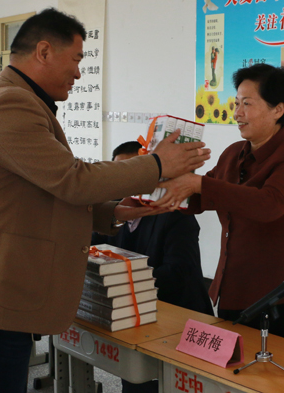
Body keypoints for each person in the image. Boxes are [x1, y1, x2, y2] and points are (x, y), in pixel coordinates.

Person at [0, 7, 210, 393]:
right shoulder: (8, 104)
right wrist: (158, 164)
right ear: (44, 51)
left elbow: (46, 190)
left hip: (0, 291)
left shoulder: (17, 99)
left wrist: (115, 210)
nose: (79, 73)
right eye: (77, 59)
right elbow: (72, 180)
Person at [155, 63, 284, 341]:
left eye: (247, 104)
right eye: (237, 103)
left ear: (278, 109)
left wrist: (198, 183)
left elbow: (268, 204)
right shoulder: (233, 154)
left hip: (279, 297)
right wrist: (158, 184)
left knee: (271, 368)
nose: (237, 113)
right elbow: (200, 197)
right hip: (233, 289)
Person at [92, 141, 213, 393]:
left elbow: (178, 272)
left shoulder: (175, 215)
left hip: (178, 318)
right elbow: (93, 252)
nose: (124, 180)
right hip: (132, 317)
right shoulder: (111, 213)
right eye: (118, 172)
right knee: (135, 380)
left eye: (132, 171)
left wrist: (121, 282)